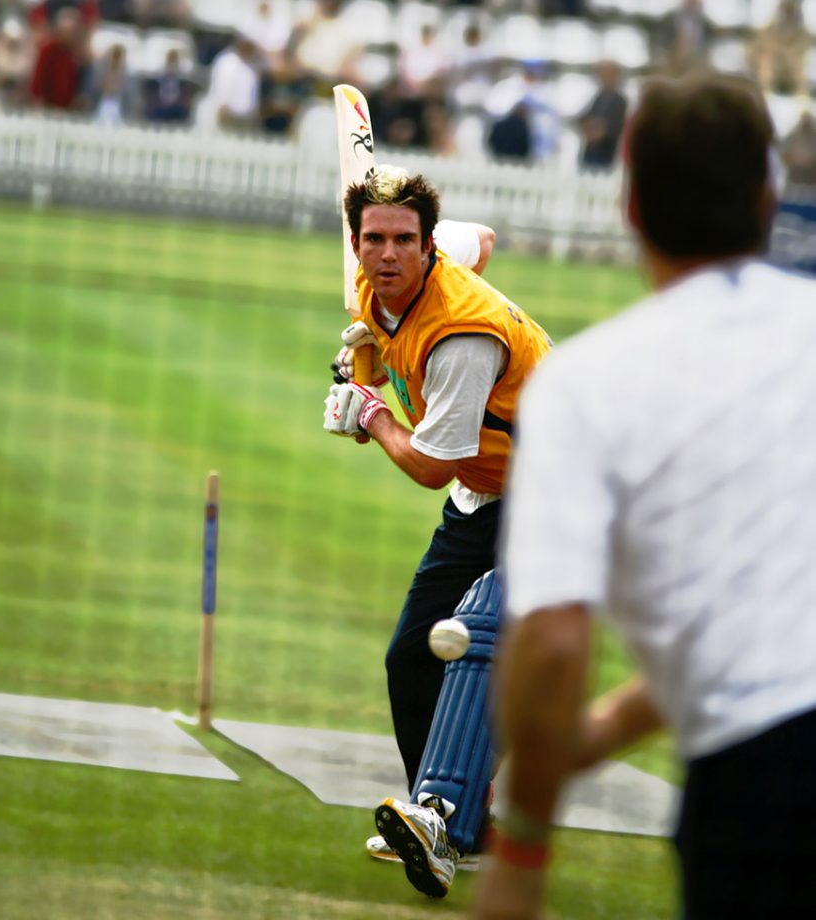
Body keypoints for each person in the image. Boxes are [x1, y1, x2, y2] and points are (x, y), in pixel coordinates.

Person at [471, 72, 816, 920]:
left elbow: (552, 643)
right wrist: (598, 734)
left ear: (628, 205)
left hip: (767, 794)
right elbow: (768, 623)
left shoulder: (588, 384)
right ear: (768, 197)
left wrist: (519, 849)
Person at [323, 167, 552, 899]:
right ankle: (445, 825)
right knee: (409, 658)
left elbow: (427, 464)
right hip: (486, 492)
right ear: (356, 241)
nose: (387, 256)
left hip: (555, 489)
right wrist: (363, 357)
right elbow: (476, 238)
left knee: (475, 643)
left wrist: (372, 414)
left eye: (403, 242)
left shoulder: (461, 337)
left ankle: (447, 826)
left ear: (425, 250)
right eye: (373, 240)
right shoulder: (400, 266)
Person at [577, 59, 627, 170]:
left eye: (607, 73)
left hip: (605, 153)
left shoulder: (619, 100)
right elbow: (585, 117)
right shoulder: (599, 96)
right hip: (590, 152)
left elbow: (614, 127)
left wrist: (599, 130)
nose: (603, 77)